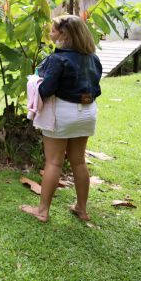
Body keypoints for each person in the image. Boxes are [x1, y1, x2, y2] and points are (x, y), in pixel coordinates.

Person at [21, 15, 102, 223]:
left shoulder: (58, 58)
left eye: (54, 30)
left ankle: (42, 211)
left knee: (54, 162)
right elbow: (96, 88)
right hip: (88, 112)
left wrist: (35, 82)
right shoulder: (93, 57)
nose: (50, 33)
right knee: (79, 161)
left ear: (64, 34)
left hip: (63, 113)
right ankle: (82, 210)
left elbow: (47, 90)